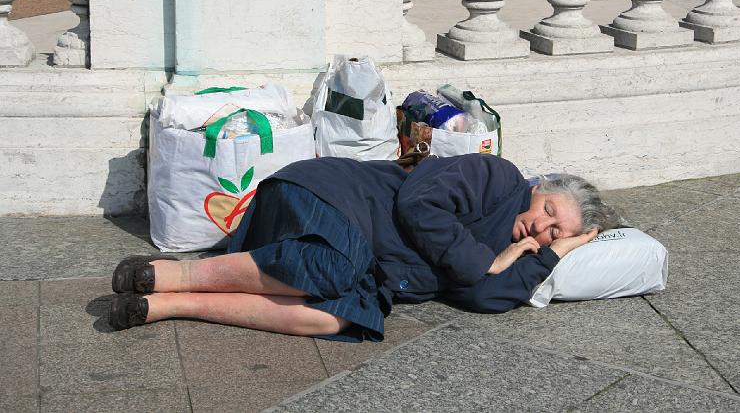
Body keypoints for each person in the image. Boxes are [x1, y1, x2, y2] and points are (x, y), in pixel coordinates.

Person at [108, 154, 620, 341]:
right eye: (549, 213)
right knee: (334, 265)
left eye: (558, 232)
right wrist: (485, 261)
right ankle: (173, 273)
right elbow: (420, 201)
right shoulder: (496, 176)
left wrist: (552, 257)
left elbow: (483, 297)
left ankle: (167, 304)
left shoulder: (528, 252)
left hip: (367, 263)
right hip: (329, 196)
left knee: (344, 318)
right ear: (539, 190)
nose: (542, 229)